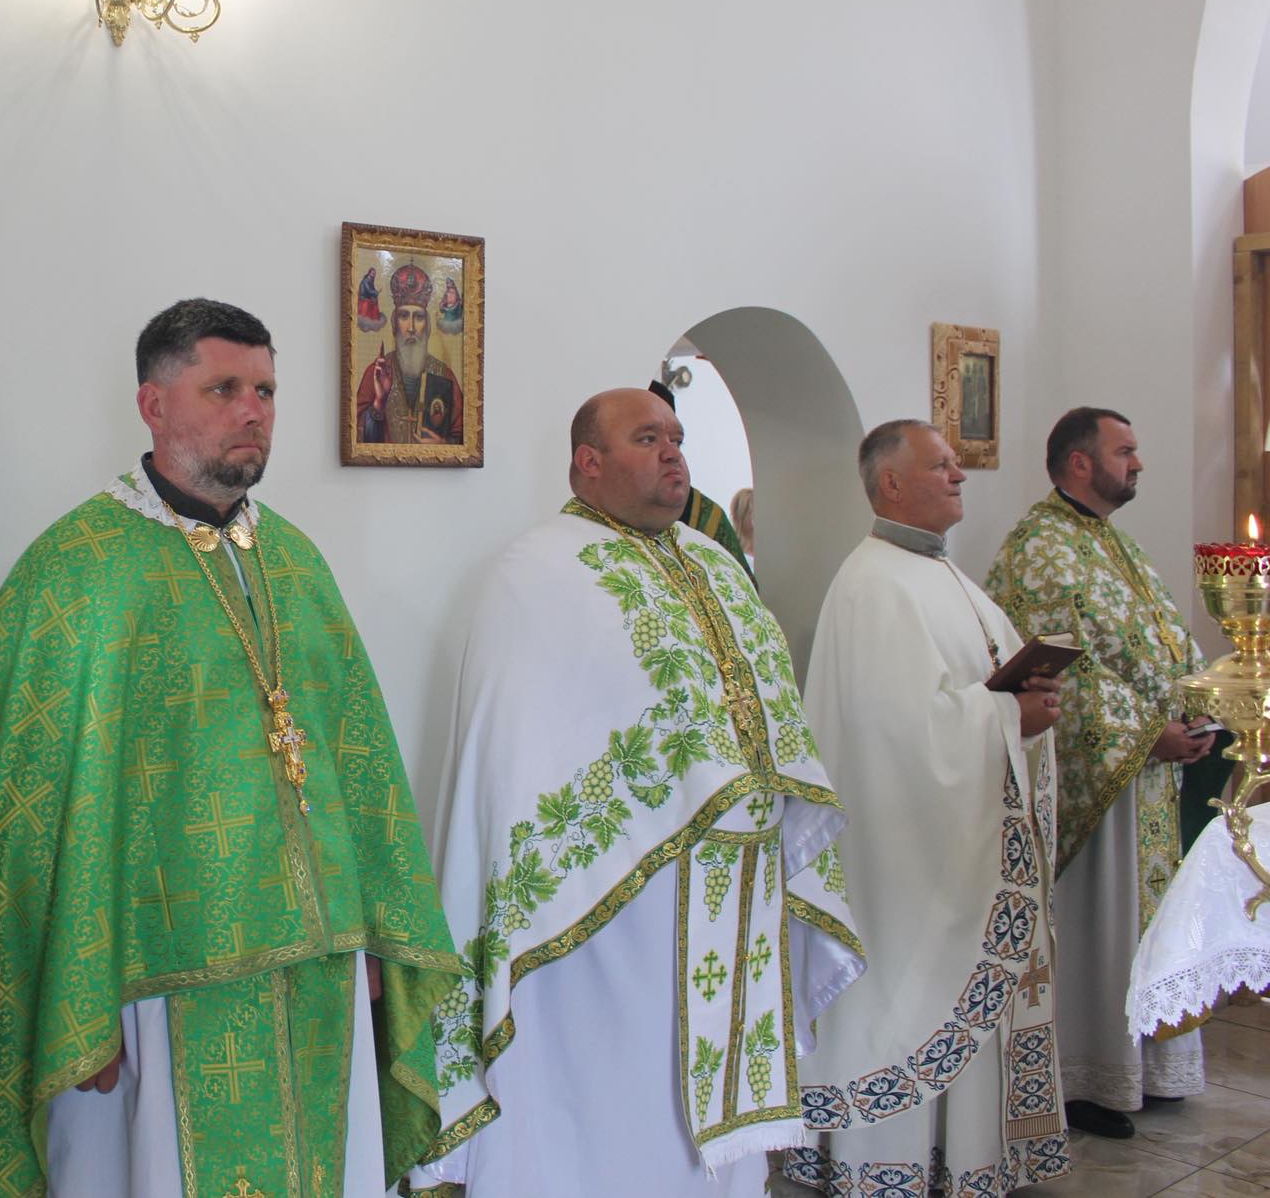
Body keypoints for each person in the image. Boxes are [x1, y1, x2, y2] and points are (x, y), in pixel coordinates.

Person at [0, 299, 460, 1197]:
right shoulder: (77, 572)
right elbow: (31, 823)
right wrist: (71, 1005)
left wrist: (370, 934)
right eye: (224, 389)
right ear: (153, 404)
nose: (253, 411)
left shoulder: (296, 563)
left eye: (266, 391)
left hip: (319, 975)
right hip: (151, 985)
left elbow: (353, 768)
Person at [407, 387, 862, 1197]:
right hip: (600, 907)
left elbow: (768, 707)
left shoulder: (717, 564)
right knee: (611, 1094)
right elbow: (520, 755)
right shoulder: (539, 570)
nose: (673, 452)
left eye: (676, 437)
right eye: (647, 438)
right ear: (589, 462)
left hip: (737, 885)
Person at [784, 420, 1069, 1196]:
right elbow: (898, 733)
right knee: (902, 997)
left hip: (957, 842)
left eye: (955, 463)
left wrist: (1024, 703)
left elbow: (965, 697)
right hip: (902, 856)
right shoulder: (873, 585)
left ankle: (963, 1156)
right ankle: (888, 1163)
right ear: (891, 484)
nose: (959, 475)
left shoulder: (943, 575)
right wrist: (1008, 715)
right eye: (941, 465)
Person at [984, 407, 1212, 1138]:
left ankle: (1147, 1063)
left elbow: (1164, 640)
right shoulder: (1041, 549)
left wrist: (1198, 711)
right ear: (1080, 462)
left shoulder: (1112, 542)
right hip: (1096, 784)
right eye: (1125, 451)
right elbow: (1060, 671)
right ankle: (1085, 1074)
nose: (1137, 463)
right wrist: (1148, 736)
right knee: (1098, 923)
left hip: (1148, 777)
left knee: (1148, 924)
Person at [647, 379, 755, 581]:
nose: (672, 454)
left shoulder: (707, 517)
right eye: (648, 439)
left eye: (676, 442)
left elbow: (743, 589)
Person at [355, 265, 464, 444]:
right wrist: (379, 403)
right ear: (394, 325)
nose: (411, 328)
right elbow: (355, 437)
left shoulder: (445, 375)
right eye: (404, 316)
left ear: (428, 327)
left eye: (419, 317)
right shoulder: (376, 373)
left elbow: (465, 437)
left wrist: (443, 446)